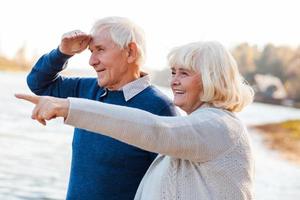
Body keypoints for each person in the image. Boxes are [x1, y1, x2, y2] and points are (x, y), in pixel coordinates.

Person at [17, 41, 255, 199]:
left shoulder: (220, 126)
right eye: (173, 72)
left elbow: (156, 130)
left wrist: (68, 107)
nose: (174, 81)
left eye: (184, 73)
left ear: (213, 79)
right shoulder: (201, 125)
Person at [25, 16, 177, 200]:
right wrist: (62, 52)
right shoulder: (86, 89)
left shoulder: (159, 108)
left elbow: (169, 184)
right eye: (90, 51)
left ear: (130, 52)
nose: (91, 61)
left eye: (100, 50)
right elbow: (38, 83)